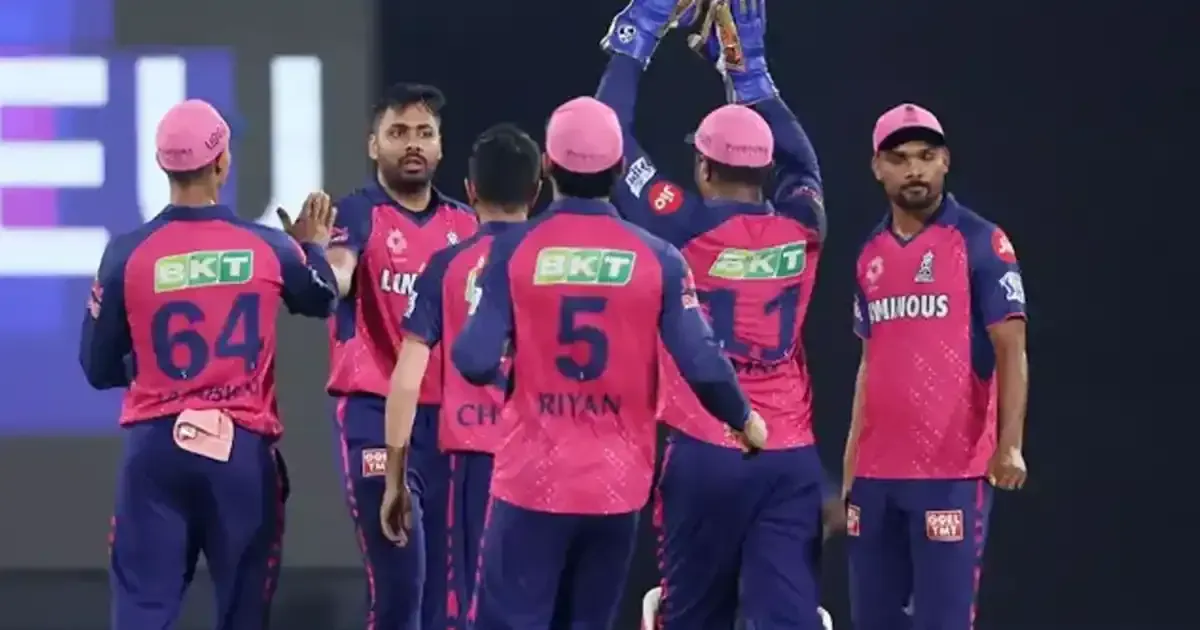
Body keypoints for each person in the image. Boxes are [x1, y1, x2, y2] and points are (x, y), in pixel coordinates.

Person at [451, 96, 767, 629]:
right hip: (616, 490)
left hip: (531, 481)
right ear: (620, 169)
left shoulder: (513, 250)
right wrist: (745, 419)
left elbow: (474, 360)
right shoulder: (660, 259)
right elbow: (702, 361)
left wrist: (515, 337)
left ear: (547, 167)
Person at [599, 1, 835, 627]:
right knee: (787, 618)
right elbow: (803, 164)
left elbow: (609, 139)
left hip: (705, 450)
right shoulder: (803, 225)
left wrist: (638, 33)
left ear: (703, 167)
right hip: (788, 455)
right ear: (764, 171)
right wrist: (750, 70)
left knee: (693, 617)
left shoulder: (679, 224)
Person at [80, 99, 338, 630]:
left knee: (141, 614)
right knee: (243, 615)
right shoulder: (268, 247)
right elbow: (321, 297)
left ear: (162, 165)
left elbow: (96, 366)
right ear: (222, 162)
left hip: (155, 454)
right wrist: (311, 247)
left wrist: (147, 369)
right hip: (239, 457)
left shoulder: (126, 254)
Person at [843, 103, 1029, 630]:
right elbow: (869, 362)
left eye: (926, 157)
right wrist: (851, 464)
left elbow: (1012, 347)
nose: (915, 170)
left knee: (942, 621)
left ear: (945, 161)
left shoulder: (980, 241)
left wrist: (1010, 444)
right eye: (899, 159)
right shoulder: (870, 252)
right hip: (876, 476)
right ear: (877, 168)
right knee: (873, 620)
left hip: (951, 472)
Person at [324, 82, 478, 630]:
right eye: (398, 132)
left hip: (452, 426)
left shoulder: (466, 225)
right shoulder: (357, 213)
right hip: (374, 415)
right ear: (374, 145)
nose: (412, 144)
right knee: (400, 585)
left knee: (445, 600)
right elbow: (340, 274)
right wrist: (318, 264)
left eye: (424, 133)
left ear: (440, 146)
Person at [379, 123, 542, 628]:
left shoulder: (446, 267)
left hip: (474, 461)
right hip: (550, 457)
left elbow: (407, 378)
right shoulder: (555, 262)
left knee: (474, 607)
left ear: (470, 191)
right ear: (536, 190)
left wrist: (395, 479)